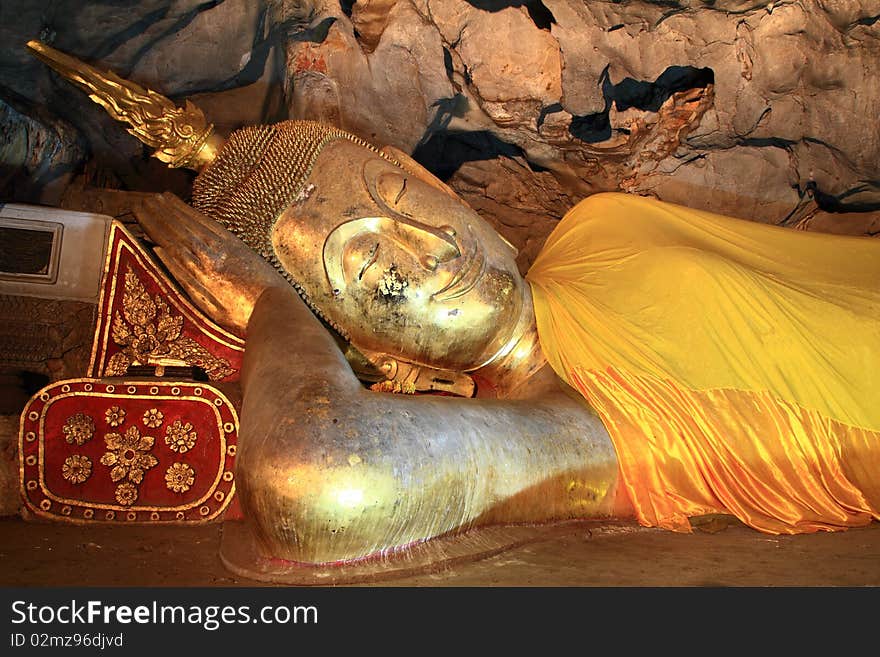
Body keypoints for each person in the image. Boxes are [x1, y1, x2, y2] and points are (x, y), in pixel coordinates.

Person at [28, 41, 880, 580]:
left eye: (401, 195)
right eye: (371, 267)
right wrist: (270, 307)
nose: (431, 248)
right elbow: (319, 482)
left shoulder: (592, 230)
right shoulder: (567, 425)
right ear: (364, 337)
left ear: (437, 180)